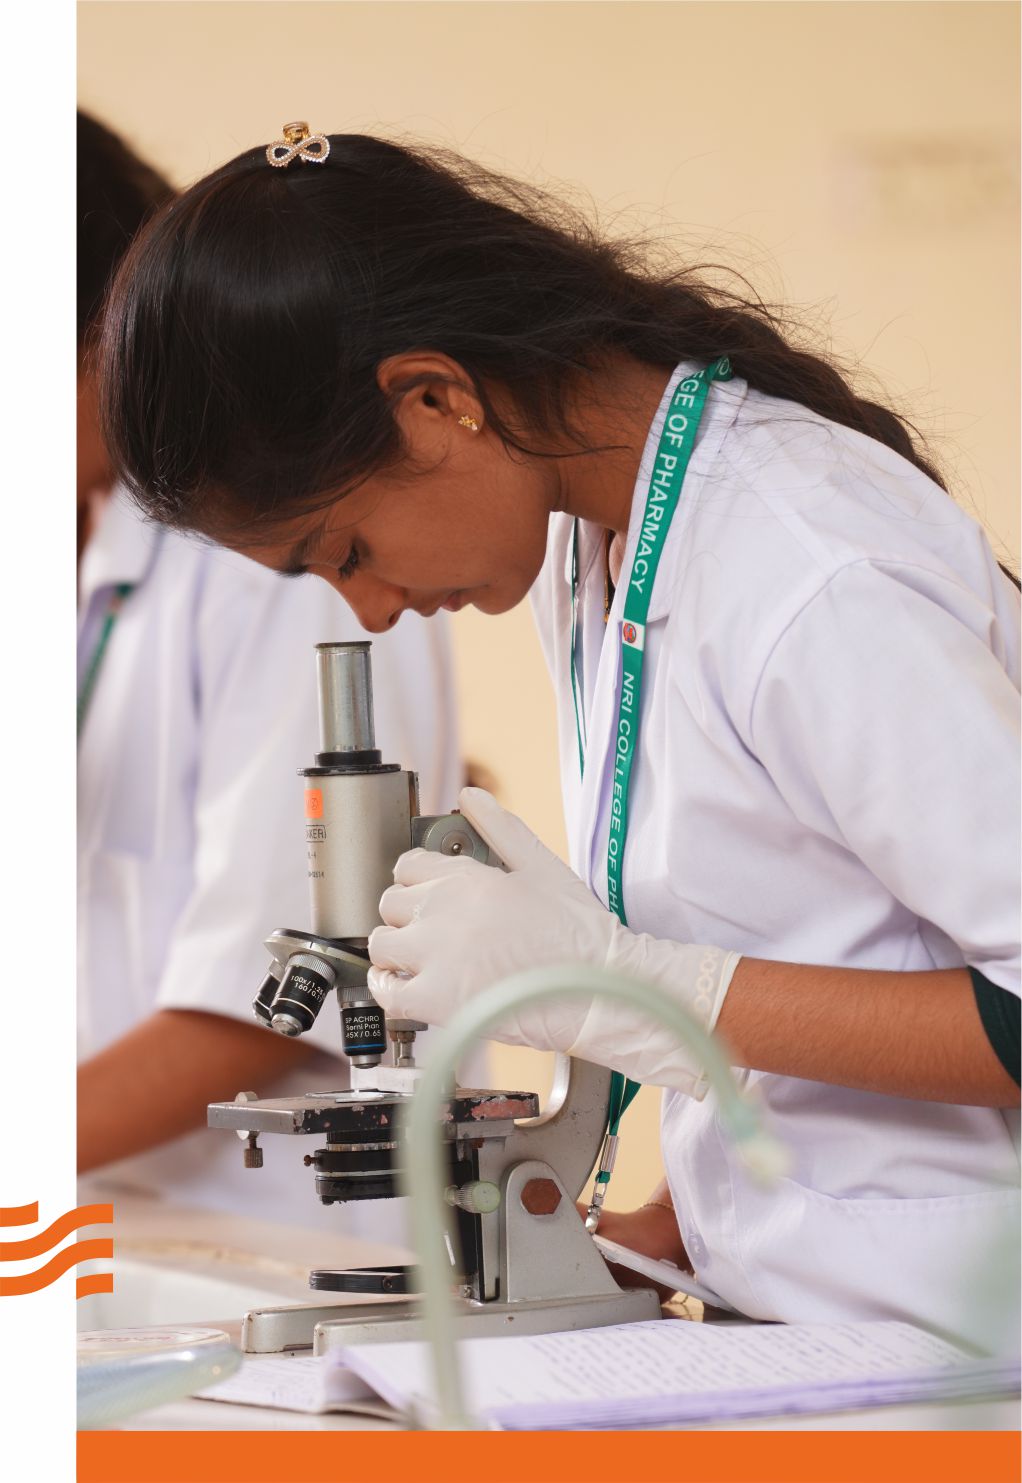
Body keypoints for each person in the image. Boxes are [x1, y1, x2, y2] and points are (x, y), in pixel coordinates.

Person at [97, 126, 1019, 1341]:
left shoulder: (810, 571)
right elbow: (817, 937)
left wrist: (630, 986)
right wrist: (673, 1224)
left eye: (347, 551)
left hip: (959, 1345)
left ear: (434, 402)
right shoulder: (596, 545)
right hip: (801, 1320)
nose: (367, 610)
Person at [77, 114, 465, 1229]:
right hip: (112, 1228)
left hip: (286, 1236)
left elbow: (259, 1004)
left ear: (105, 334)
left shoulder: (277, 553)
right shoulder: (79, 546)